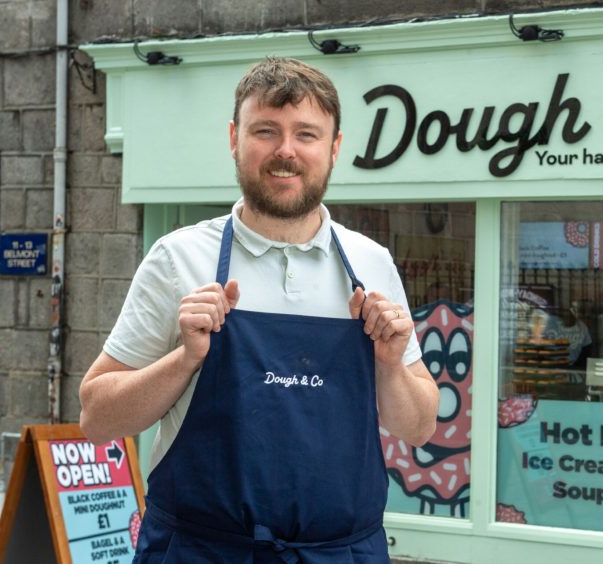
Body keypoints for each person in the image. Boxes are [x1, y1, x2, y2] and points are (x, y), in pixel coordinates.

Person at [78, 58, 439, 563]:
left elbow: (419, 427)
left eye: (306, 134)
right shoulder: (178, 258)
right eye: (266, 130)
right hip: (199, 553)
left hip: (340, 554)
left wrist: (389, 362)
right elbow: (96, 417)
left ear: (334, 148)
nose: (286, 151)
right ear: (234, 138)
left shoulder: (371, 264)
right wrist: (184, 359)